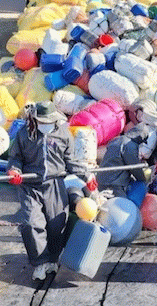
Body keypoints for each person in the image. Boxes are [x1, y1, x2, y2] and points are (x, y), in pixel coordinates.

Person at [6, 101, 96, 282]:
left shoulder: (64, 134)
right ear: (35, 119)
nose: (45, 125)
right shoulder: (25, 134)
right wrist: (14, 170)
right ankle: (40, 263)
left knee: (57, 223)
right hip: (30, 185)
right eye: (41, 122)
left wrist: (87, 176)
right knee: (32, 223)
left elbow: (71, 161)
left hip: (54, 183)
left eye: (48, 122)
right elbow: (15, 158)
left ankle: (53, 259)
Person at [96, 125, 151, 198]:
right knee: (122, 203)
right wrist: (143, 180)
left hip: (101, 178)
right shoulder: (130, 145)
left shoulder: (118, 139)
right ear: (140, 137)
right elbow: (134, 167)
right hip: (112, 183)